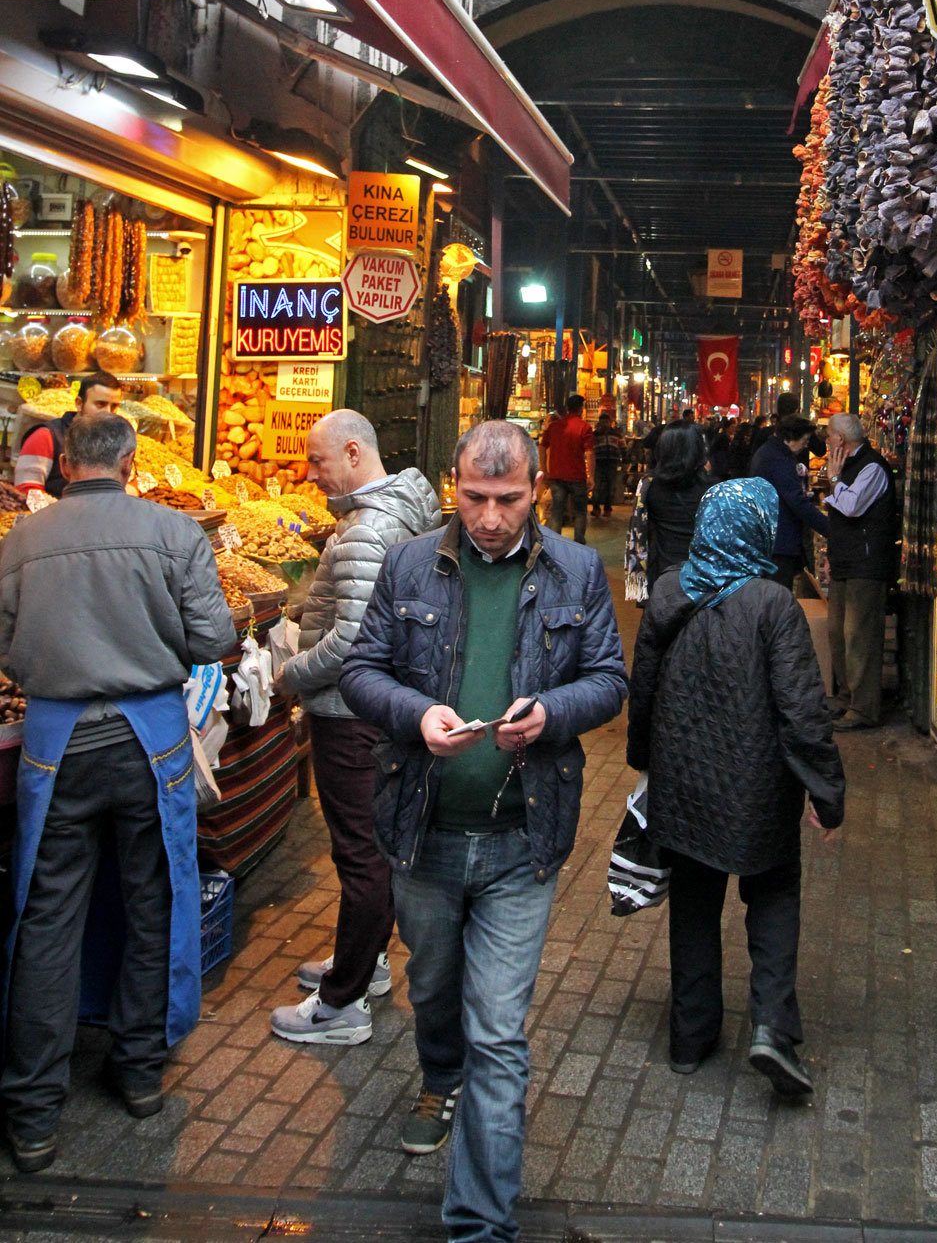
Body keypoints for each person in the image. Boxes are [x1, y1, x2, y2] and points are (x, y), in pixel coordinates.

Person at [340, 420, 626, 1243]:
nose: (491, 517)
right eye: (474, 498)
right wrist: (415, 711)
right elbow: (363, 669)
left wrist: (551, 712)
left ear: (536, 488)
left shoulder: (573, 569)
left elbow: (609, 677)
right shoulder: (409, 563)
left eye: (507, 499)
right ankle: (439, 1075)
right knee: (434, 988)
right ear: (449, 485)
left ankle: (478, 1224)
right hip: (421, 832)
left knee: (498, 1030)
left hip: (518, 840)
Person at [0, 413, 236, 1172]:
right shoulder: (173, 532)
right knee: (154, 898)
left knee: (47, 912)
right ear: (131, 461)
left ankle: (33, 1109)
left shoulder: (23, 539)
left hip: (54, 744)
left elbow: (4, 645)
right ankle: (137, 1069)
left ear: (65, 461)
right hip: (150, 740)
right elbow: (213, 640)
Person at [627, 478, 844, 1091]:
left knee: (694, 906)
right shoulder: (774, 606)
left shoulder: (671, 590)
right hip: (760, 788)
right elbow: (803, 711)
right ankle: (771, 1028)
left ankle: (690, 1038)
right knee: (773, 898)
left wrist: (644, 761)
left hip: (685, 783)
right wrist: (826, 795)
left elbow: (641, 687)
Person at [269, 409, 441, 1046]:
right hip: (371, 710)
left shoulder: (368, 530)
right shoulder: (386, 515)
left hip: (349, 713)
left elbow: (351, 643)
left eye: (318, 461)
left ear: (351, 452)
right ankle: (361, 964)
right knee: (372, 847)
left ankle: (341, 1006)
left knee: (362, 854)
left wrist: (292, 673)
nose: (310, 474)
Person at [810, 412, 897, 732]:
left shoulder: (872, 467)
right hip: (847, 560)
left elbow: (851, 506)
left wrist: (833, 481)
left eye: (829, 436)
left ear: (841, 440)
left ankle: (864, 707)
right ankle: (847, 696)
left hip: (866, 562)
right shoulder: (848, 465)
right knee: (838, 632)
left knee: (858, 635)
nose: (826, 441)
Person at [624, 423, 710, 602]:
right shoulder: (712, 489)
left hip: (663, 573)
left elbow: (641, 530)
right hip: (704, 576)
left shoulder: (650, 487)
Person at [750, 414, 827, 593]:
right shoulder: (779, 460)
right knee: (777, 596)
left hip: (769, 537)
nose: (806, 445)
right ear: (790, 439)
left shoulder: (769, 453)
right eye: (805, 439)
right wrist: (827, 527)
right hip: (779, 541)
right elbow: (796, 501)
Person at [13, 372, 122, 498]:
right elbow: (27, 491)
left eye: (114, 406)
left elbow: (140, 477)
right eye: (100, 404)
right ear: (79, 404)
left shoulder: (116, 439)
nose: (108, 412)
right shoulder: (46, 436)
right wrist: (67, 512)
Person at [542, 393, 593, 541]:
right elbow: (589, 454)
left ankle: (556, 544)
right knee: (580, 512)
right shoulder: (585, 427)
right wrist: (591, 476)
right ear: (581, 409)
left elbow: (542, 447)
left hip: (557, 476)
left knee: (557, 511)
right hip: (577, 476)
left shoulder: (554, 427)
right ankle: (578, 544)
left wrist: (543, 469)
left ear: (567, 408)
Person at [590, 412, 624, 518]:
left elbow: (623, 446)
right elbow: (590, 448)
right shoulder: (595, 435)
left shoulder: (616, 434)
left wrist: (625, 461)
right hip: (599, 462)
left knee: (610, 486)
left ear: (610, 423)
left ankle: (607, 508)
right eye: (602, 422)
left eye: (606, 422)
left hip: (612, 461)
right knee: (597, 486)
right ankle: (596, 508)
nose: (604, 424)